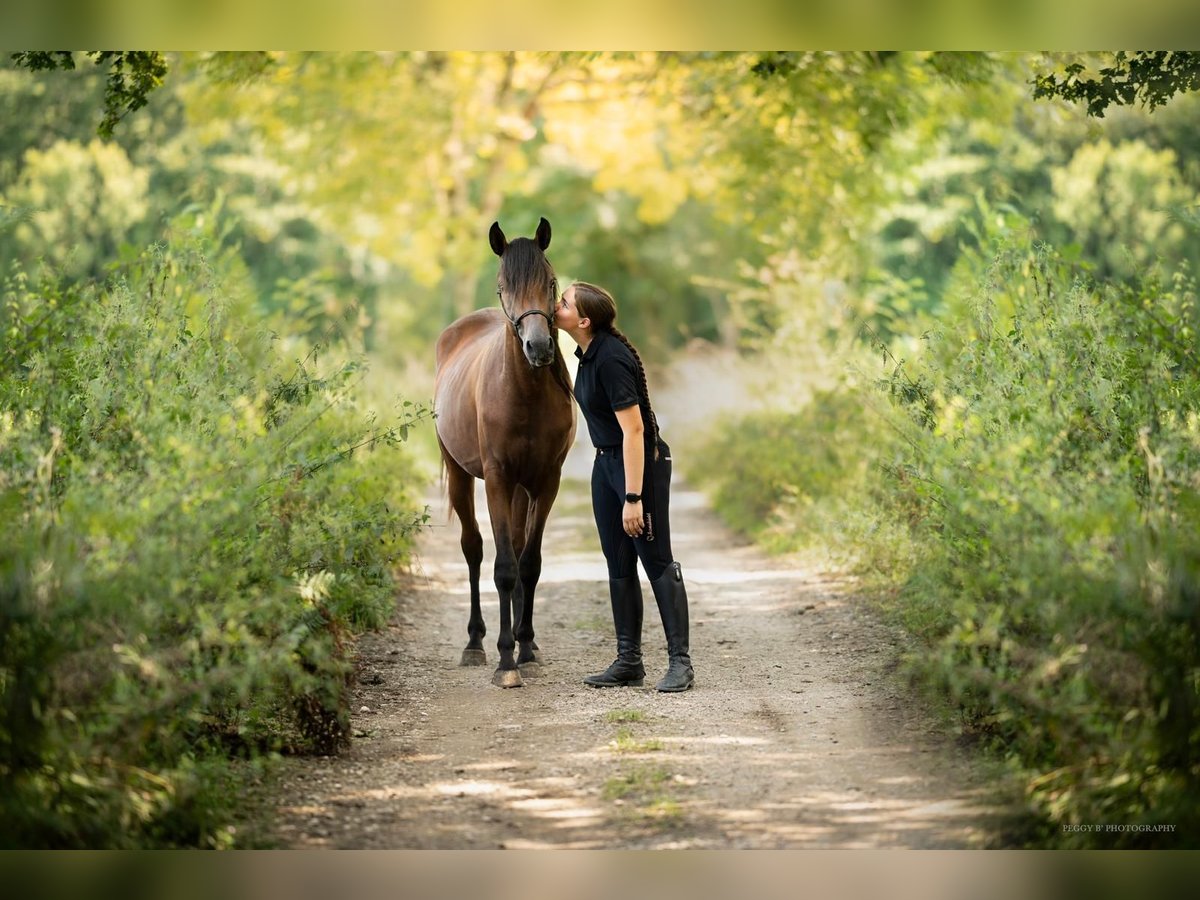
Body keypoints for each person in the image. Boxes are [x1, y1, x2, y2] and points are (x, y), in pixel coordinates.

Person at [554, 281, 695, 692]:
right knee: (617, 561)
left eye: (563, 302)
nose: (555, 305)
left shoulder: (611, 359)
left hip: (640, 464)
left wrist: (633, 497)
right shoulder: (586, 355)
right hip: (606, 463)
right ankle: (628, 660)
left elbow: (634, 431)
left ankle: (680, 663)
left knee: (655, 560)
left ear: (583, 320)